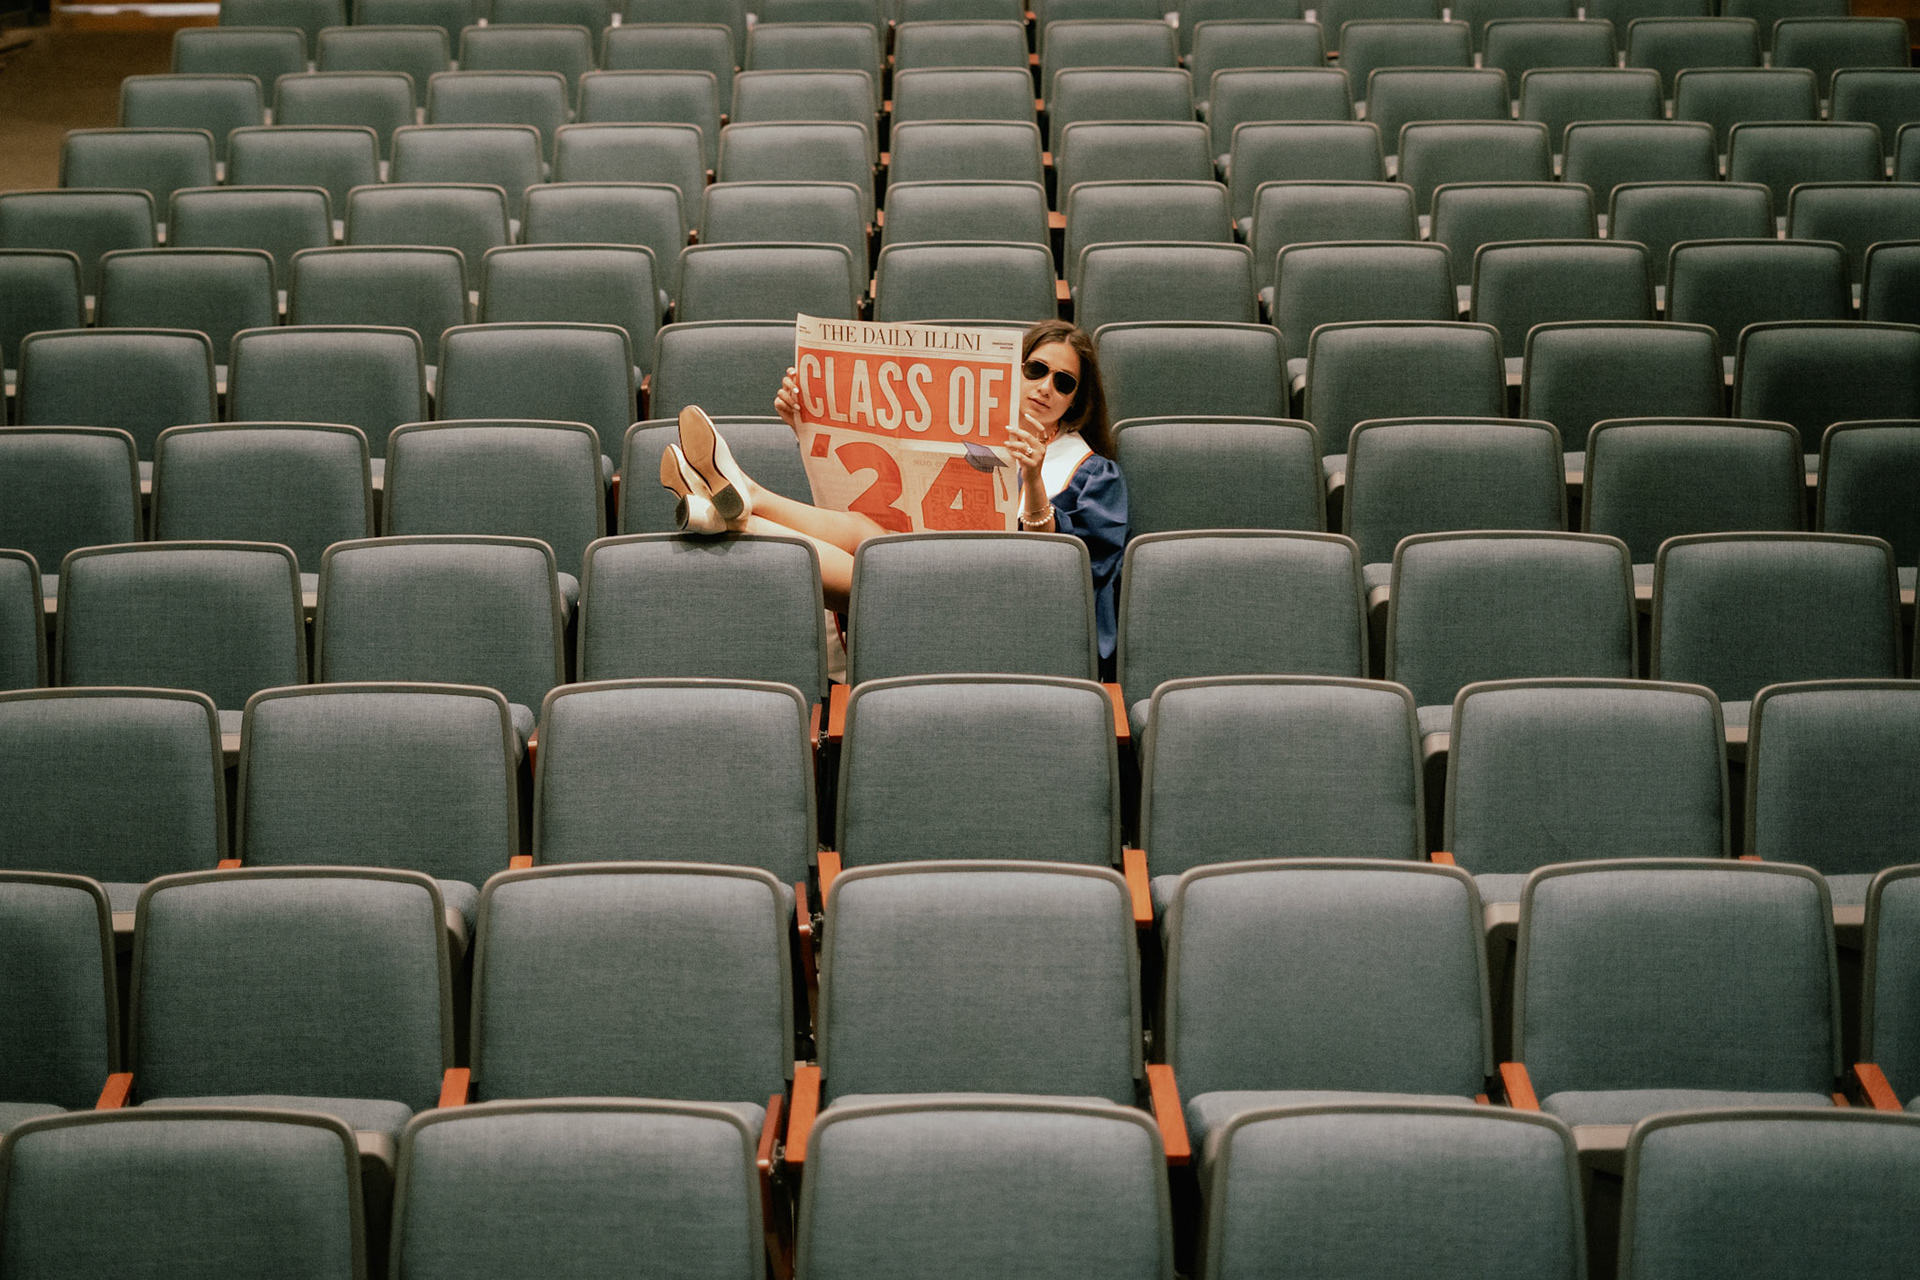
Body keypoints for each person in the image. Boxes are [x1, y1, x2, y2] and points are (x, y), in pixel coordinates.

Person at [659, 319, 1130, 659]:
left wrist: (1033, 479)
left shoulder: (1093, 474)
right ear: (1014, 369)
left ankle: (733, 510)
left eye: (1063, 382)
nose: (1046, 387)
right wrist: (808, 422)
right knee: (868, 532)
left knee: (878, 568)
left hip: (1002, 606)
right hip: (927, 568)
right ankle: (740, 502)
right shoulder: (961, 431)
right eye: (1036, 370)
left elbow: (1061, 573)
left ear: (1076, 401)